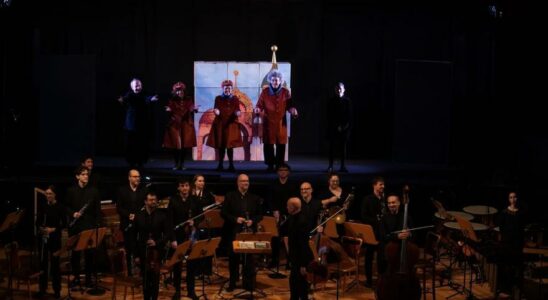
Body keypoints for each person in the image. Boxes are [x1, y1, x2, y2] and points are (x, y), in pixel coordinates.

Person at [221, 174, 263, 292]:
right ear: (238, 183)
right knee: (233, 258)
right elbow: (223, 213)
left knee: (249, 258)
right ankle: (233, 282)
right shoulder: (230, 196)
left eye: (247, 181)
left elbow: (260, 215)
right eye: (243, 181)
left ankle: (248, 283)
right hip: (233, 232)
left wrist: (252, 221)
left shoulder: (254, 198)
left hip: (249, 233)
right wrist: (235, 219)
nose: (246, 183)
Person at [65, 166, 101, 288]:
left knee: (89, 255)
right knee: (75, 255)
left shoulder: (94, 191)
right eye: (83, 174)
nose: (86, 176)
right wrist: (73, 213)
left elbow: (97, 211)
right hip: (75, 227)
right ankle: (76, 278)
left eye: (87, 174)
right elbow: (66, 207)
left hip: (88, 227)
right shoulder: (71, 191)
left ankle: (88, 279)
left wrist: (96, 226)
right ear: (77, 176)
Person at [255, 70, 298, 171]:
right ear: (270, 80)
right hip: (268, 123)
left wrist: (293, 110)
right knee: (268, 144)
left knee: (281, 144)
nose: (275, 82)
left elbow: (290, 105)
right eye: (273, 80)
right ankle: (270, 165)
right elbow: (259, 105)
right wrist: (257, 109)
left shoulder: (285, 92)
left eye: (277, 80)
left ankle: (279, 164)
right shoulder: (265, 92)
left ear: (280, 81)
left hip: (280, 123)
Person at [134, 191, 173, 300]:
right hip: (143, 252)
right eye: (150, 200)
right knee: (145, 280)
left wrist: (157, 242)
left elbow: (167, 234)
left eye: (155, 200)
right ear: (145, 202)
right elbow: (134, 236)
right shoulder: (139, 216)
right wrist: (136, 254)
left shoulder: (162, 216)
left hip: (157, 252)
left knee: (155, 279)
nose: (153, 202)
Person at [168, 178, 201, 300]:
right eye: (182, 186)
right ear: (178, 188)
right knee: (177, 266)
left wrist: (195, 222)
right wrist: (172, 239)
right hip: (178, 238)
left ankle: (191, 290)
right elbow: (169, 222)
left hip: (192, 236)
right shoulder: (173, 201)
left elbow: (201, 216)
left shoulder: (195, 200)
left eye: (186, 185)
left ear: (190, 187)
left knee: (191, 265)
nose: (185, 188)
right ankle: (177, 291)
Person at [118, 78, 159, 168]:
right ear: (131, 87)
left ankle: (141, 162)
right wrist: (121, 100)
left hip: (142, 125)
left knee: (142, 144)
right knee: (131, 144)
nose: (137, 87)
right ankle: (131, 162)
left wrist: (151, 99)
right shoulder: (129, 95)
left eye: (139, 85)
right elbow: (125, 100)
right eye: (135, 85)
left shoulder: (144, 94)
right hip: (131, 126)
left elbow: (146, 98)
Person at [35, 186, 66, 299]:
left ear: (55, 195)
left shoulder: (60, 207)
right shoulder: (43, 206)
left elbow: (64, 224)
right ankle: (42, 289)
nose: (48, 196)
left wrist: (53, 229)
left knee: (55, 265)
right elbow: (37, 222)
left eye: (50, 194)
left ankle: (56, 290)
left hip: (55, 238)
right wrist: (41, 229)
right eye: (47, 194)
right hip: (44, 238)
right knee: (43, 264)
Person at [116, 169, 148, 276]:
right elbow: (119, 208)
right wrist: (128, 215)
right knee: (129, 248)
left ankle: (142, 271)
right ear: (129, 178)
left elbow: (145, 207)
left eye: (138, 176)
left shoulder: (143, 190)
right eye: (134, 176)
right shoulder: (122, 190)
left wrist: (138, 216)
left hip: (140, 224)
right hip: (128, 224)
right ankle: (130, 272)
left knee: (142, 247)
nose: (137, 178)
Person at [206, 80, 243, 172]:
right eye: (226, 88)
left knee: (230, 146)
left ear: (232, 89)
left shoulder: (235, 99)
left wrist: (237, 112)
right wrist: (216, 111)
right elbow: (216, 108)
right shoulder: (218, 98)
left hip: (231, 125)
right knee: (221, 145)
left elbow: (237, 109)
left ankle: (231, 164)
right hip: (220, 125)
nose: (227, 90)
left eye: (229, 88)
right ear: (223, 88)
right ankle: (220, 164)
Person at [267, 163, 299, 268]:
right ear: (277, 172)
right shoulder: (273, 184)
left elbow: (296, 200)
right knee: (275, 238)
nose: (283, 171)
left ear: (288, 172)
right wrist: (274, 211)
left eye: (285, 170)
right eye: (281, 170)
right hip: (276, 215)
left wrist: (291, 212)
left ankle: (290, 261)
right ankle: (275, 260)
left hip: (289, 215)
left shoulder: (293, 185)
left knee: (289, 238)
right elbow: (270, 200)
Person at [162, 82, 198, 170]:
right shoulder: (172, 100)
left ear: (183, 91)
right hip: (175, 125)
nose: (179, 92)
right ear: (175, 92)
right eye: (177, 91)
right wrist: (169, 110)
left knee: (184, 146)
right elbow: (169, 110)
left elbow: (192, 108)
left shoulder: (188, 99)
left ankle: (182, 164)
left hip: (186, 125)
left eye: (181, 90)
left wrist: (195, 109)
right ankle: (176, 163)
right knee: (176, 146)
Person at [496, 191, 525, 297]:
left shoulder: (521, 213)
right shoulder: (504, 212)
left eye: (515, 197)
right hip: (506, 244)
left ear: (517, 199)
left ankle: (516, 288)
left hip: (517, 244)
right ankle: (504, 288)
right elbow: (501, 228)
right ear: (509, 199)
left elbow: (522, 229)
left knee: (516, 267)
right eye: (511, 197)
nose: (513, 199)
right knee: (506, 266)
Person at [286, 197, 313, 300]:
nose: (286, 208)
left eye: (288, 206)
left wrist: (303, 265)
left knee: (300, 285)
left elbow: (303, 245)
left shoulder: (302, 221)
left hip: (301, 258)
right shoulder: (292, 217)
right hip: (295, 257)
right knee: (294, 282)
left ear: (293, 207)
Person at [360, 176, 386, 287]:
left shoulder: (385, 199)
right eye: (380, 184)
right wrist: (377, 221)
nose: (383, 186)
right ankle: (369, 280)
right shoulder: (368, 199)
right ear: (374, 185)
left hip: (383, 233)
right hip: (372, 233)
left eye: (383, 184)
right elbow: (363, 216)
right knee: (369, 257)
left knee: (382, 257)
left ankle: (382, 278)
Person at [378, 193, 411, 275]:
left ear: (399, 203)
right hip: (388, 251)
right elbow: (382, 236)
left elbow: (415, 234)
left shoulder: (406, 216)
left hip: (403, 250)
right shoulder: (384, 218)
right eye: (389, 203)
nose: (391, 205)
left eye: (393, 202)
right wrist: (397, 236)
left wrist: (409, 234)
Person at [326, 82, 352, 173]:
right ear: (335, 90)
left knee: (343, 148)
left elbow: (349, 116)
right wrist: (335, 126)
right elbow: (329, 115)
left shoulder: (347, 101)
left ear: (344, 90)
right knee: (331, 147)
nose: (339, 90)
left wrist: (343, 127)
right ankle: (330, 166)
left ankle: (343, 166)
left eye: (340, 88)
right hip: (333, 128)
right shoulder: (331, 101)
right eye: (337, 88)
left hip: (344, 128)